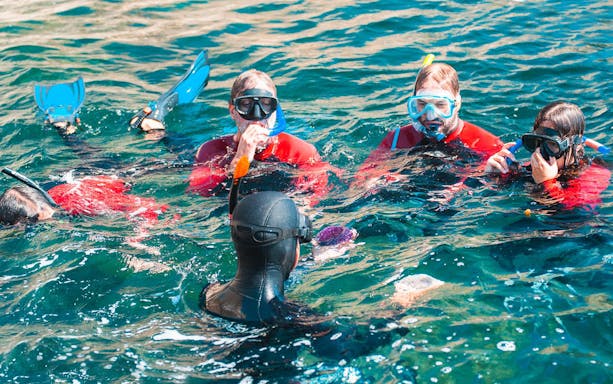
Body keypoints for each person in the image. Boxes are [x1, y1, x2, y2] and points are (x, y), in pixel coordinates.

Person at [187, 69, 332, 206]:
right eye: (246, 105)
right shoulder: (210, 151)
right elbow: (200, 196)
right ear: (232, 111)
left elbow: (319, 195)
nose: (257, 117)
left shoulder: (299, 151)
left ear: (276, 111)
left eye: (266, 105)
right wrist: (240, 159)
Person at [356, 62, 503, 188]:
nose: (431, 115)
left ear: (456, 104)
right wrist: (377, 179)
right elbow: (362, 177)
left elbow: (507, 188)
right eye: (422, 104)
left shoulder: (488, 144)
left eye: (440, 105)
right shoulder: (396, 139)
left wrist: (484, 177)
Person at [485, 101, 610, 210]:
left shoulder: (594, 173)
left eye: (552, 145)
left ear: (576, 146)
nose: (541, 152)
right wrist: (495, 174)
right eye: (537, 142)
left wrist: (547, 182)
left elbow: (578, 211)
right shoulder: (532, 169)